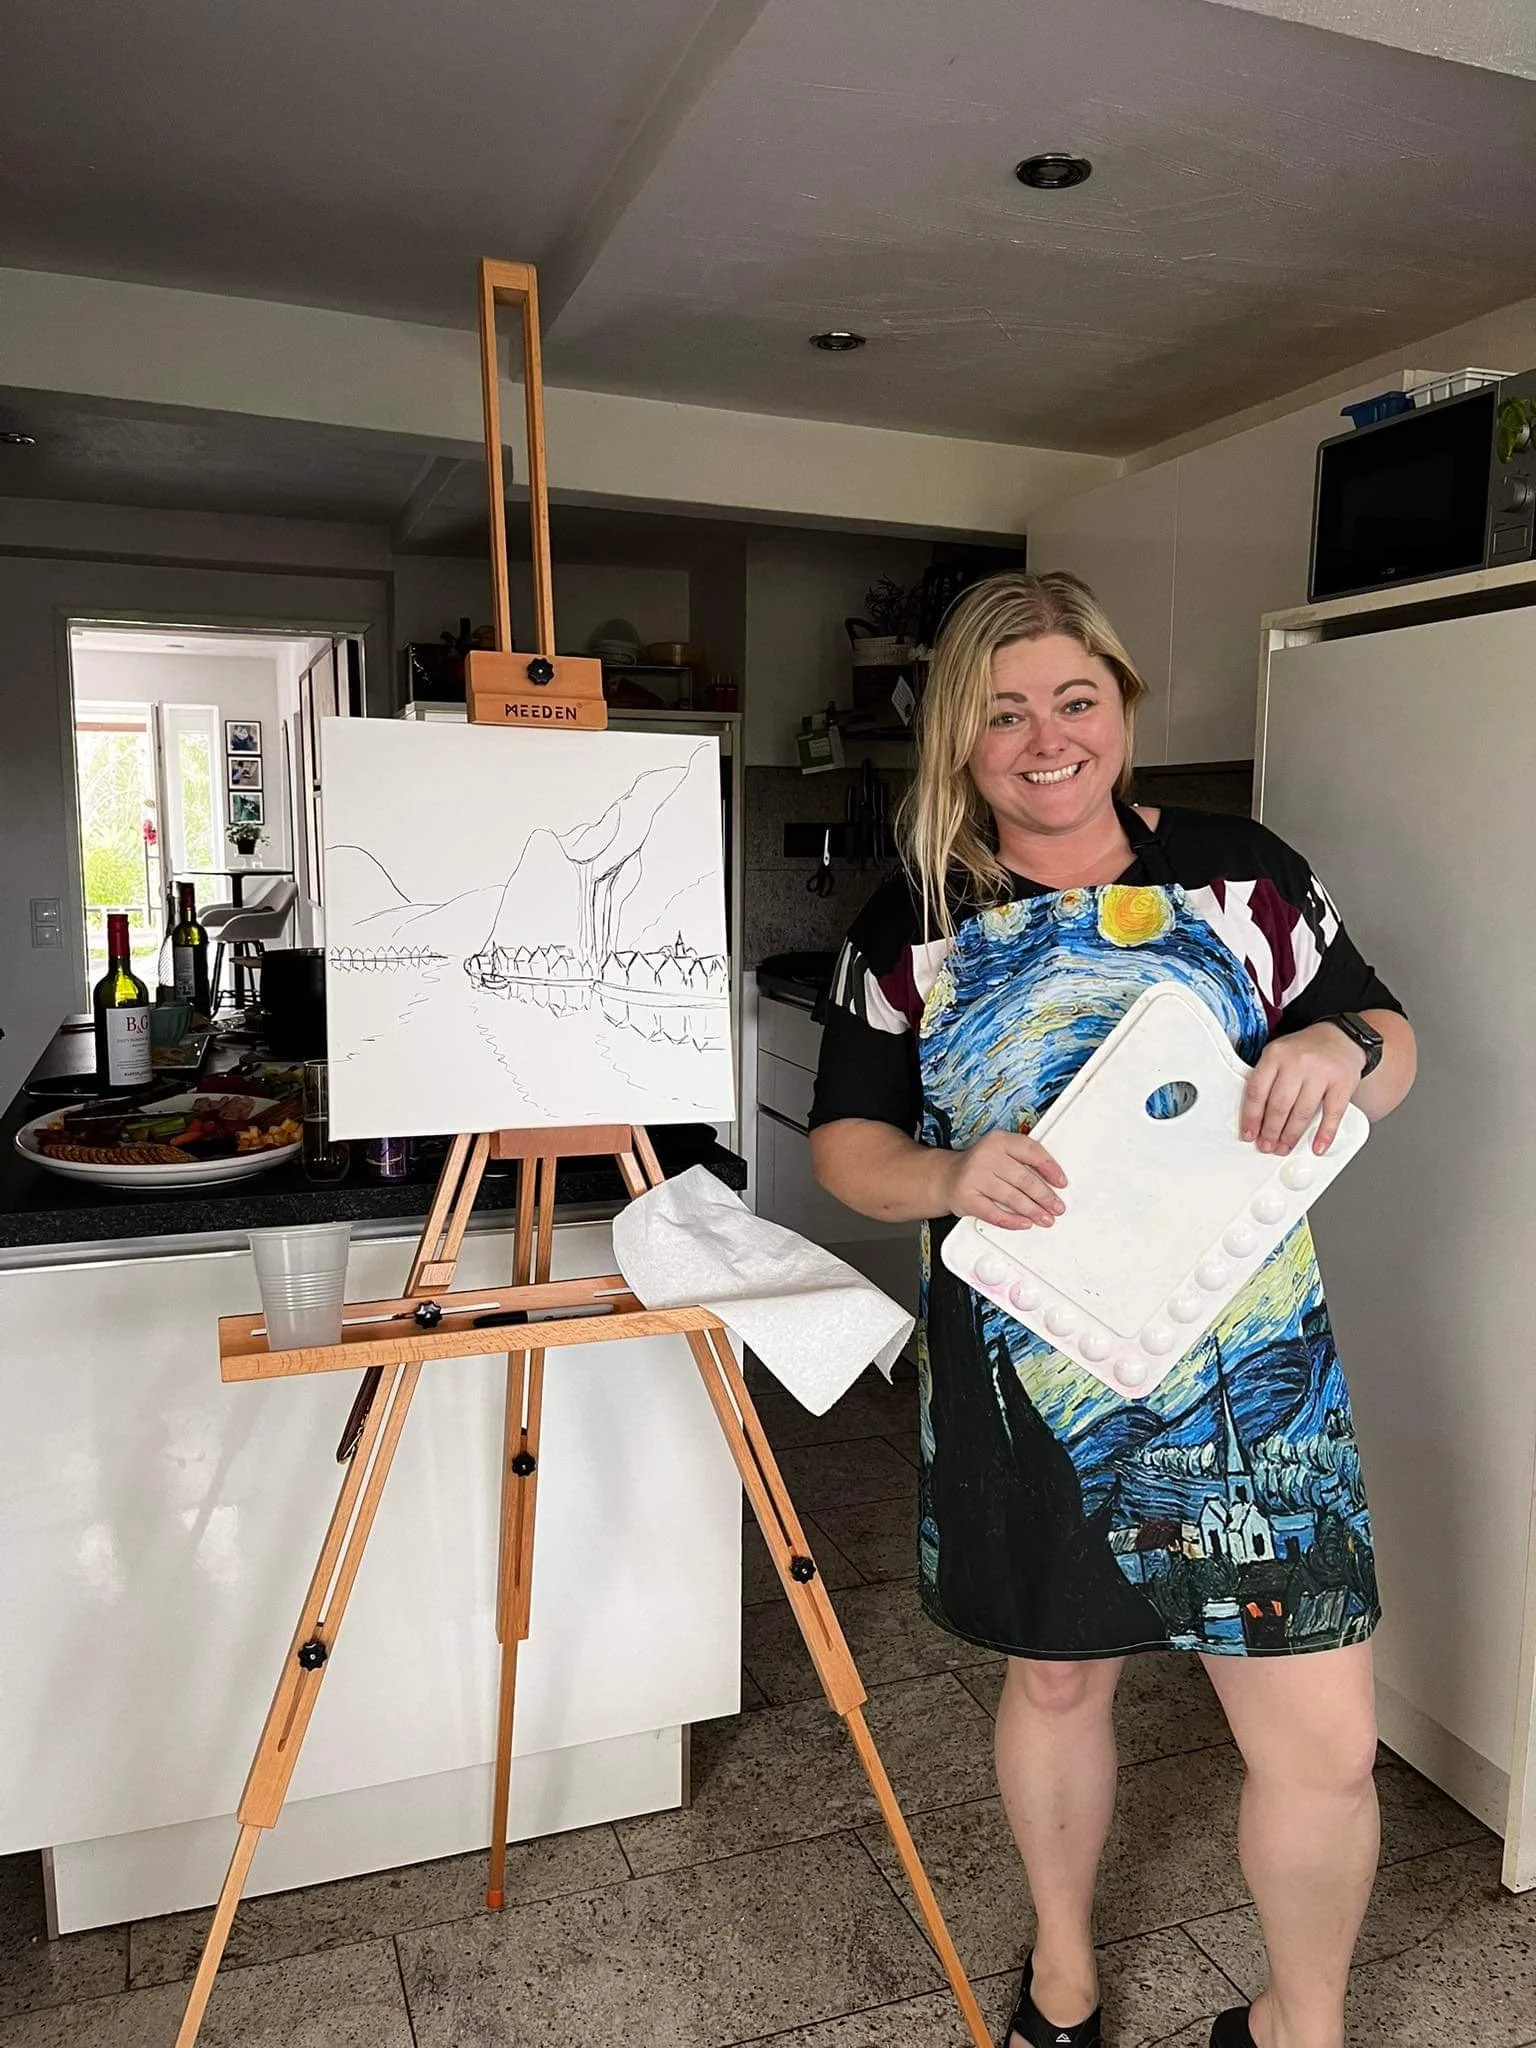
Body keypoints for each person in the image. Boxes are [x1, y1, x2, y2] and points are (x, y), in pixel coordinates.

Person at [808, 572, 1416, 2048]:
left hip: (1253, 1370)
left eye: (1074, 700)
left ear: (1123, 707)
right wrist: (951, 1168)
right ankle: (1065, 1976)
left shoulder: (1243, 876)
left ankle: (1299, 2027)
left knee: (1327, 1748)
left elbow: (1387, 1044)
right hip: (1032, 1375)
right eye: (1001, 713)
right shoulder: (913, 928)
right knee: (1062, 1679)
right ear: (959, 740)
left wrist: (1338, 1043)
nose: (1045, 738)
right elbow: (846, 1151)